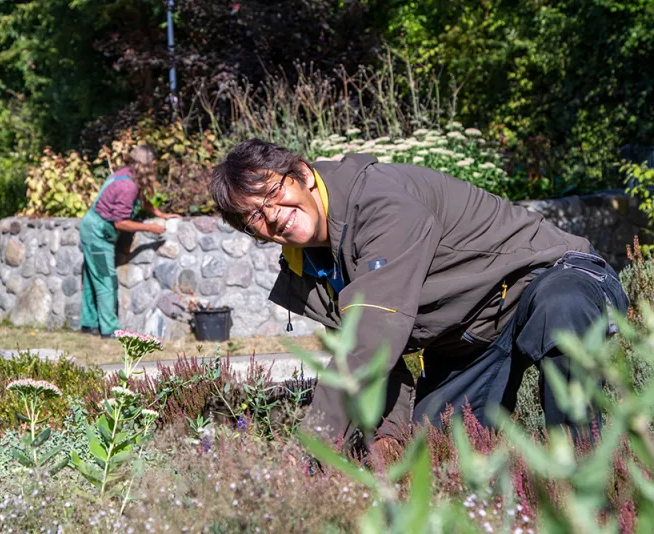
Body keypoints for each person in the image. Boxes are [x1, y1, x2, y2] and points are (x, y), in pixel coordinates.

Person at [210, 139, 629, 453]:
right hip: (472, 336)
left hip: (551, 276)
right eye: (252, 217)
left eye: (271, 195)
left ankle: (585, 480)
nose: (270, 216)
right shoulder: (308, 268)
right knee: (436, 451)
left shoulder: (380, 202)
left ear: (301, 175)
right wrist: (390, 435)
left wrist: (309, 455)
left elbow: (367, 340)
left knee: (561, 312)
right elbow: (382, 358)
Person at [80, 145, 180, 338]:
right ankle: (109, 329)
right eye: (153, 164)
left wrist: (160, 214)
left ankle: (89, 324)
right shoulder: (128, 185)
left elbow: (141, 198)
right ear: (148, 164)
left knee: (94, 279)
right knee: (105, 280)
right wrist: (150, 228)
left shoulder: (128, 175)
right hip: (96, 235)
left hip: (96, 230)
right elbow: (120, 223)